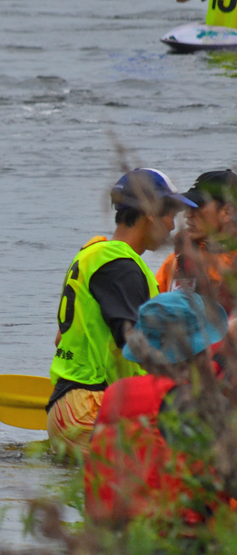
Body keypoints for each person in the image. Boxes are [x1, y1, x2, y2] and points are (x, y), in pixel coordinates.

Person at [47, 168, 197, 454]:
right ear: (150, 213)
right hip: (90, 407)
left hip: (69, 406)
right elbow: (132, 341)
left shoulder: (95, 255)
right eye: (170, 216)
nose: (172, 227)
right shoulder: (120, 266)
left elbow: (60, 339)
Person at [84, 291, 234, 527]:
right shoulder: (200, 404)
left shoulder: (114, 395)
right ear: (200, 353)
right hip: (181, 552)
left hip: (112, 552)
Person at [156, 170, 237, 313]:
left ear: (227, 212)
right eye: (188, 207)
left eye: (197, 206)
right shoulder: (176, 262)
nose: (187, 214)